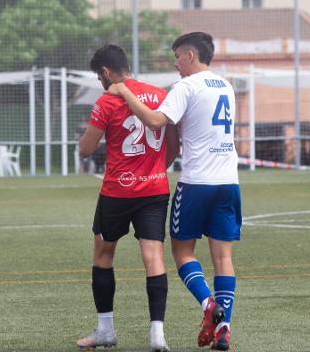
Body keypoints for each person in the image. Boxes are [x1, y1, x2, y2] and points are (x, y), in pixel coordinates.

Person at [106, 32, 241, 351]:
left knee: (182, 253)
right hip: (229, 182)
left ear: (191, 56)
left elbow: (155, 121)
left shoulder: (186, 86)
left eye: (178, 57)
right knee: (223, 258)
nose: (176, 64)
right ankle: (224, 327)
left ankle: (209, 305)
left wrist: (125, 91)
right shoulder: (226, 86)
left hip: (196, 183)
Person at [76, 44, 178, 352]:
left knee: (103, 253)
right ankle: (157, 336)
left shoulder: (107, 100)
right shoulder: (160, 95)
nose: (100, 82)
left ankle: (106, 330)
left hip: (117, 191)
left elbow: (86, 150)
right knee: (154, 258)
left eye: (98, 76)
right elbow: (173, 144)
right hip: (155, 189)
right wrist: (155, 170)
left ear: (106, 72)